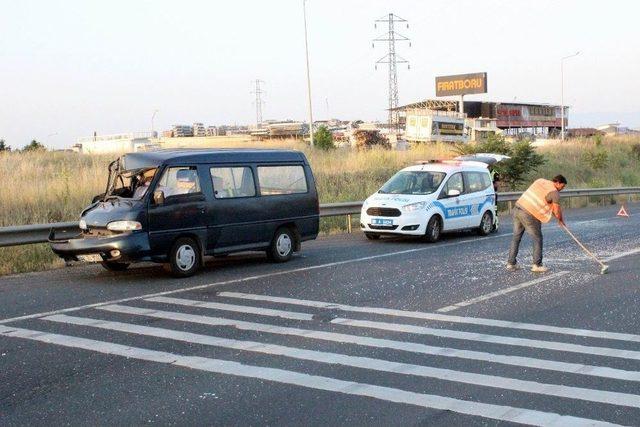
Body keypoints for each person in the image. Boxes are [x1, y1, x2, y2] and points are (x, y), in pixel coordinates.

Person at [507, 174, 567, 273]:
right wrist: (560, 220)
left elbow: (543, 198)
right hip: (529, 214)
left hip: (517, 209)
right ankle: (537, 265)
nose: (562, 189)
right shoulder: (554, 192)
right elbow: (556, 211)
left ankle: (511, 263)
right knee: (537, 238)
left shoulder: (540, 181)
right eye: (562, 186)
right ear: (558, 183)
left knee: (516, 238)